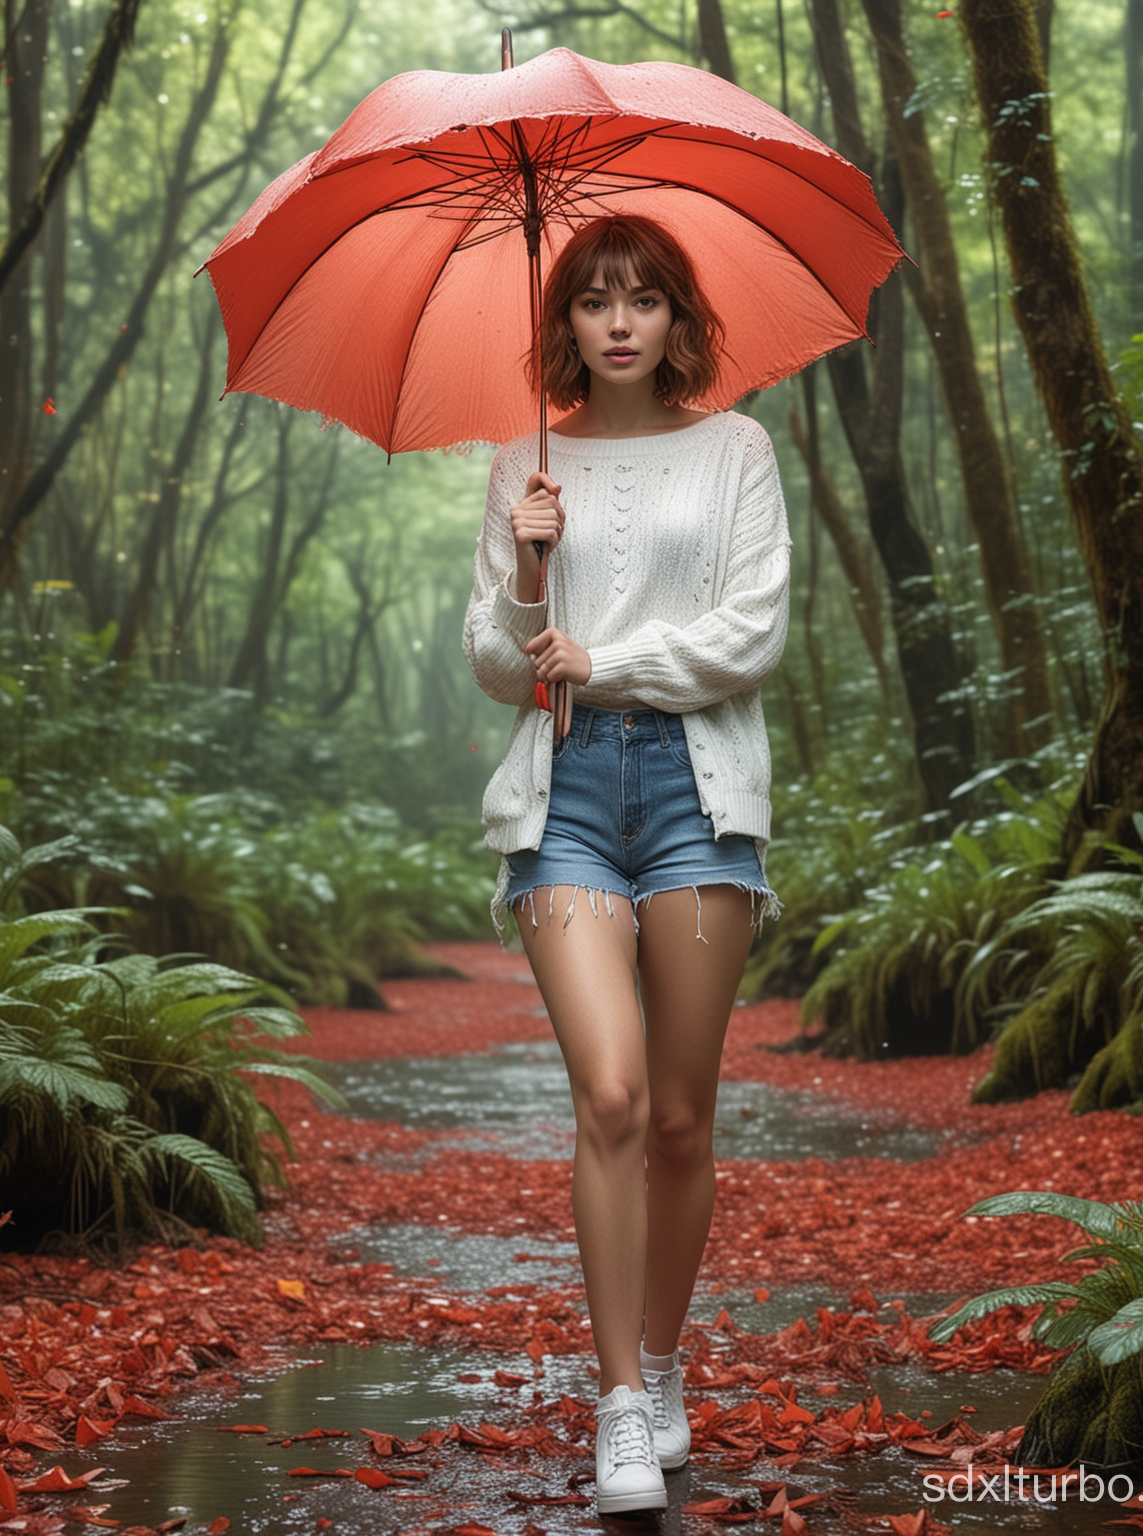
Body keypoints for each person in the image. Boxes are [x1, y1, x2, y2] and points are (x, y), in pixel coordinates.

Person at [461, 214, 792, 1515]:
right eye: (593, 299)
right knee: (606, 1091)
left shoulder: (737, 451)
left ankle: (662, 1366)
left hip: (700, 794)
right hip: (569, 795)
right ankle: (613, 1403)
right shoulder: (521, 464)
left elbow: (752, 631)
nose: (616, 321)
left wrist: (611, 656)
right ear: (566, 324)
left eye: (641, 299)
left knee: (676, 1113)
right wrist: (534, 577)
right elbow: (500, 667)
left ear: (673, 321)